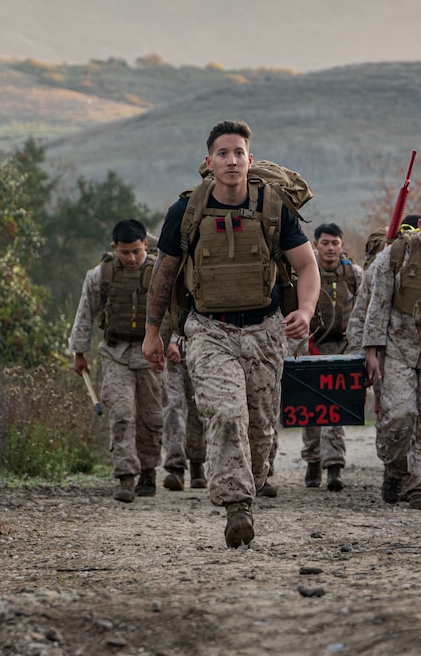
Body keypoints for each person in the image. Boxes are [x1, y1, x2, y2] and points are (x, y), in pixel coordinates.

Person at [141, 120, 320, 549]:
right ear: (209, 162)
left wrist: (307, 311)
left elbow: (307, 266)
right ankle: (236, 506)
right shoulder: (185, 212)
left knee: (260, 431)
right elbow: (164, 276)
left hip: (265, 330)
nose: (231, 160)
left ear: (250, 160)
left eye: (238, 152)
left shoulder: (274, 208)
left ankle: (249, 488)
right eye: (223, 153)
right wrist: (153, 333)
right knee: (226, 415)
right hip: (208, 330)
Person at [362, 201, 421, 509]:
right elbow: (378, 304)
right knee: (399, 415)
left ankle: (420, 484)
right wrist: (371, 352)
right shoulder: (397, 253)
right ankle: (395, 469)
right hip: (398, 344)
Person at [69, 219, 165, 503]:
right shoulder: (101, 275)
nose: (132, 258)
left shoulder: (161, 273)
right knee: (122, 413)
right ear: (115, 248)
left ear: (146, 245)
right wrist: (79, 353)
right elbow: (85, 313)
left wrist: (173, 344)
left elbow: (174, 313)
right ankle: (125, 476)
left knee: (152, 417)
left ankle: (148, 472)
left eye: (137, 251)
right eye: (126, 253)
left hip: (151, 355)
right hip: (115, 353)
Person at [298, 222, 364, 491]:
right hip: (312, 347)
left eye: (335, 243)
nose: (330, 248)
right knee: (312, 411)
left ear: (342, 245)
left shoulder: (353, 273)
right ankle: (313, 461)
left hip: (342, 349)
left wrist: (357, 345)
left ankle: (334, 466)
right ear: (316, 245)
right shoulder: (305, 270)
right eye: (324, 242)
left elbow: (365, 308)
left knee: (335, 410)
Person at [159, 319, 207, 490]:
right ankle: (175, 468)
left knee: (199, 410)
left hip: (201, 352)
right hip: (170, 357)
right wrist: (170, 341)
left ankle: (197, 464)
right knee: (173, 407)